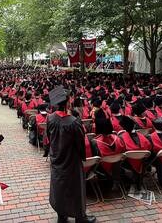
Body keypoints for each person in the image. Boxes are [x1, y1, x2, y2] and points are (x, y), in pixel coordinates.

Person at [46, 86, 95, 223]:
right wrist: (82, 157)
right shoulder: (73, 122)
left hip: (56, 159)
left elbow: (49, 139)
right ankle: (80, 217)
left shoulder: (50, 119)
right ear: (67, 102)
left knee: (59, 187)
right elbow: (80, 144)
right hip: (72, 161)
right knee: (76, 188)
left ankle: (62, 216)